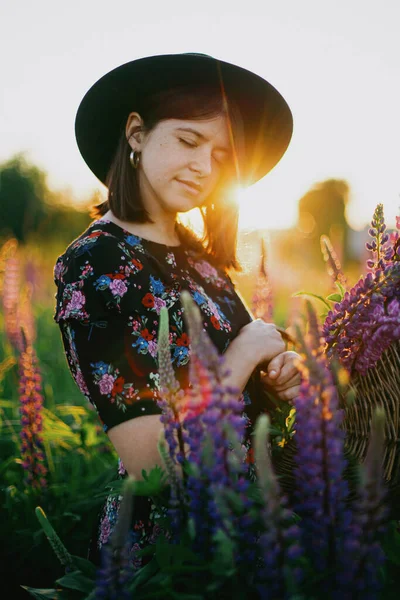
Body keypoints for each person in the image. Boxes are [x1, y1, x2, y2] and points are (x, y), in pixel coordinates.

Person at [53, 52, 301, 568]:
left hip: (252, 524)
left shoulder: (200, 260)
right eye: (189, 141)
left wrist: (275, 377)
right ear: (137, 133)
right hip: (170, 551)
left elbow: (234, 389)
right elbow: (149, 466)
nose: (203, 167)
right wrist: (242, 355)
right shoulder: (96, 262)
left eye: (221, 156)